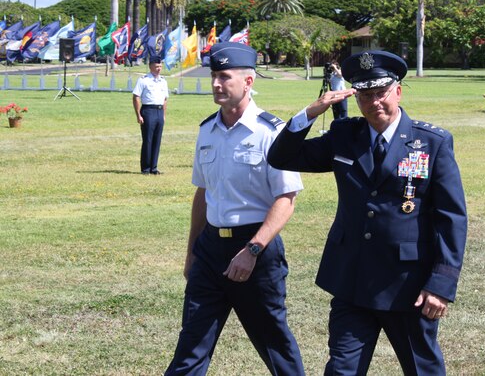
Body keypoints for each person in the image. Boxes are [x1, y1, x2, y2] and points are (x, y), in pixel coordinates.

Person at [267, 50, 468, 375]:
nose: (374, 102)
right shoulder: (344, 136)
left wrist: (441, 284)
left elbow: (451, 218)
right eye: (365, 95)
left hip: (408, 285)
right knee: (342, 370)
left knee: (422, 368)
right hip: (352, 279)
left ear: (398, 91)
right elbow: (282, 158)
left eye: (381, 93)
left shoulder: (431, 143)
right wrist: (310, 112)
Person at [164, 42, 305, 376]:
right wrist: (191, 254)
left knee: (275, 343)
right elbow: (203, 194)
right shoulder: (206, 130)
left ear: (248, 82)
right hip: (210, 250)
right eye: (214, 75)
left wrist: (252, 250)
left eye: (224, 77)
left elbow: (286, 200)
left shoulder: (271, 132)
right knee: (191, 344)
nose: (216, 84)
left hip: (256, 249)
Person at [132, 56, 169, 175]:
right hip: (148, 111)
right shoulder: (143, 80)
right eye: (156, 66)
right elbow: (136, 97)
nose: (159, 68)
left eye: (160, 66)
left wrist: (163, 114)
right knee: (147, 140)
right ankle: (146, 168)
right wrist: (138, 115)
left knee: (157, 140)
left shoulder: (163, 81)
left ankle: (154, 167)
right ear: (150, 66)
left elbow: (165, 99)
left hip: (159, 111)